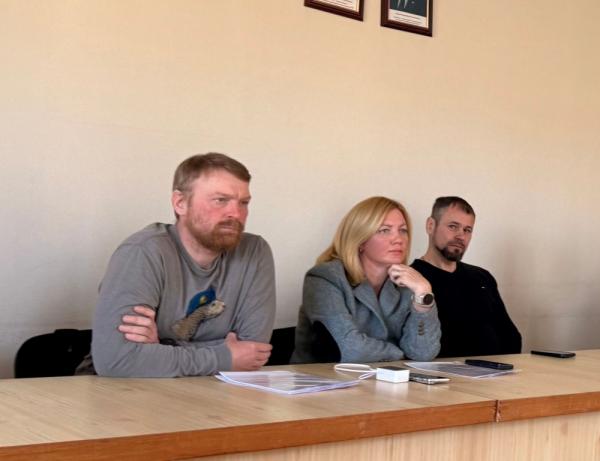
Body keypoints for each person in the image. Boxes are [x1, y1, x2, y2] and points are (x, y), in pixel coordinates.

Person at [90, 153, 276, 377]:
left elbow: (252, 354)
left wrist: (160, 349)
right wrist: (224, 357)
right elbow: (116, 360)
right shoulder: (143, 252)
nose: (236, 213)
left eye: (244, 202)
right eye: (220, 200)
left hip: (210, 391)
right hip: (123, 390)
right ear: (180, 203)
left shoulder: (254, 252)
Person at [292, 197, 441, 364]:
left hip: (386, 377)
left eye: (403, 230)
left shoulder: (407, 283)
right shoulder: (325, 278)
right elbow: (350, 349)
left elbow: (423, 353)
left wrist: (423, 293)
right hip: (323, 378)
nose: (398, 239)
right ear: (360, 240)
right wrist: (400, 354)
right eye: (385, 230)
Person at [411, 196, 522, 358]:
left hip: (495, 370)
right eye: (453, 226)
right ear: (431, 225)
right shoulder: (411, 280)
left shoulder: (482, 277)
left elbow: (511, 337)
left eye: (467, 230)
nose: (461, 236)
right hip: (439, 372)